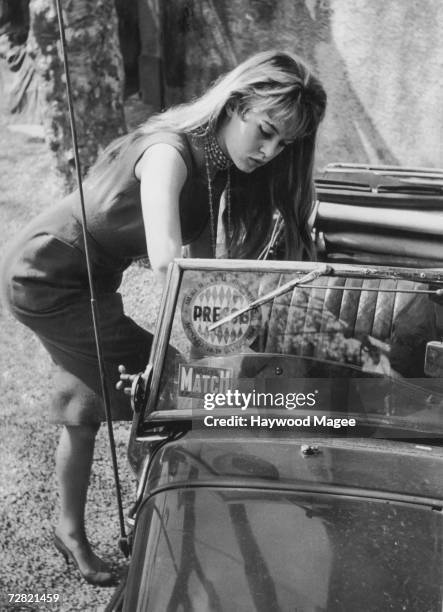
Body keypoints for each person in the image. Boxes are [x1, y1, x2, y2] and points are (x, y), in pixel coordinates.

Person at [1, 49, 327, 585]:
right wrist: (197, 356)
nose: (270, 152)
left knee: (85, 403)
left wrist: (214, 335)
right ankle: (169, 519)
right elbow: (167, 260)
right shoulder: (169, 154)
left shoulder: (215, 164)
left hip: (89, 279)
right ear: (235, 104)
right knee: (171, 390)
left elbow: (199, 268)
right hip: (46, 276)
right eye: (265, 131)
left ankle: (71, 531)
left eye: (283, 144)